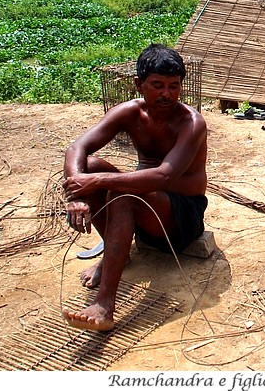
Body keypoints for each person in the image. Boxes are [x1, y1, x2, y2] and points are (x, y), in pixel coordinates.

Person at [61, 43, 208, 330]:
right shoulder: (129, 112)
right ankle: (117, 255)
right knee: (90, 165)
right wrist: (76, 194)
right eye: (157, 85)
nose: (167, 94)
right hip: (145, 205)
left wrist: (98, 182)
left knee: (121, 192)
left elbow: (164, 176)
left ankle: (104, 305)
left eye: (173, 86)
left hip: (180, 218)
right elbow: (78, 146)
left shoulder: (191, 123)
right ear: (139, 85)